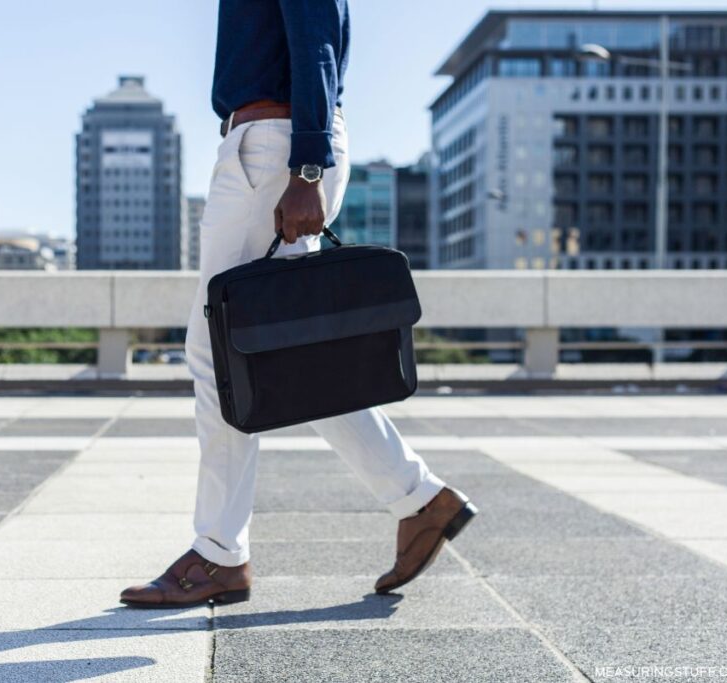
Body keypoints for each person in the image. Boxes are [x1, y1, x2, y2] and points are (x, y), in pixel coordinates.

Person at [120, 0, 476, 608]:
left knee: (218, 354)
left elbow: (315, 42)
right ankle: (420, 501)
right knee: (293, 359)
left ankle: (219, 554)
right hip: (273, 141)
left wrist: (306, 166)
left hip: (276, 144)